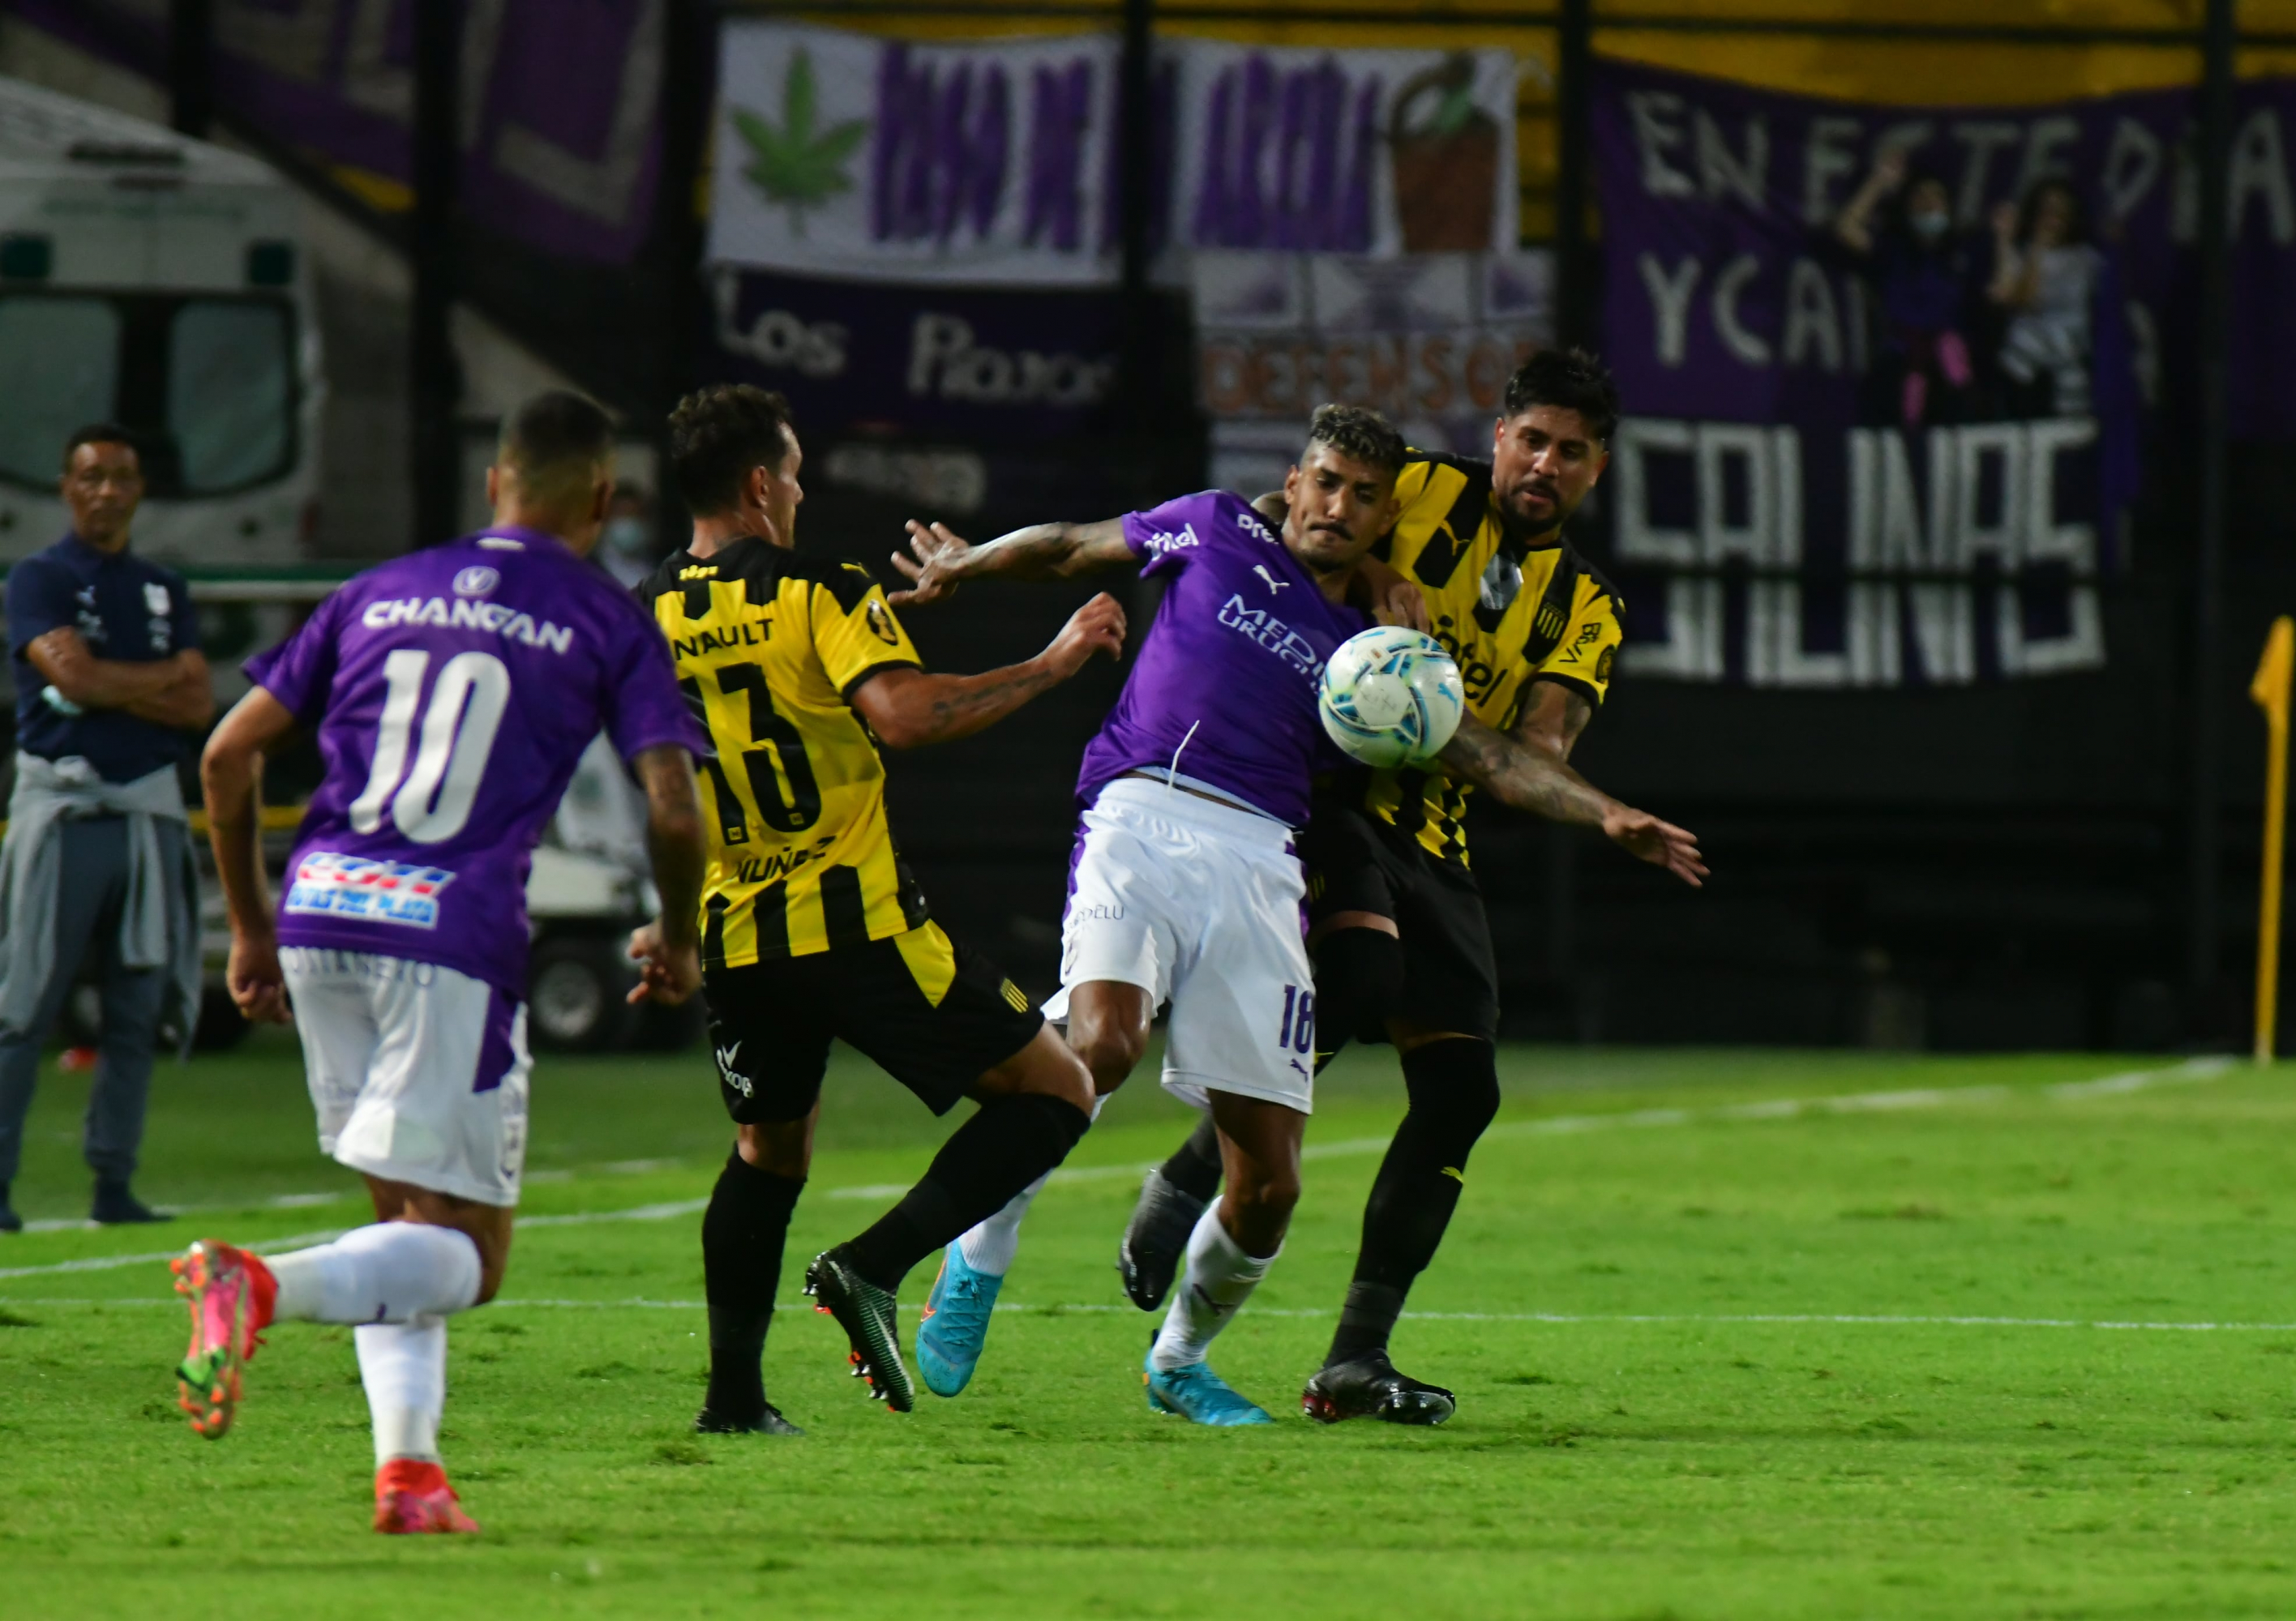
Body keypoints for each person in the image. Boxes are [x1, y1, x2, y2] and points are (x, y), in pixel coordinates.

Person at [888, 403, 1703, 1425]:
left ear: (1384, 515)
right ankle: (980, 1250)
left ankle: (1178, 1359)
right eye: (1325, 483)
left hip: (1267, 852)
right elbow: (1068, 545)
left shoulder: (1371, 652)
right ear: (1295, 482)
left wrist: (1605, 812)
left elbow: (1487, 752)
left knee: (1273, 1181)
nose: (1339, 506)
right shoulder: (1215, 526)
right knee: (1102, 1044)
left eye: (1364, 496)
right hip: (1142, 809)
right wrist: (968, 563)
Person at [173, 391, 709, 1536]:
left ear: (494, 484)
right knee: (471, 1256)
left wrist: (252, 928)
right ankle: (254, 1283)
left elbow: (225, 756)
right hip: (447, 933)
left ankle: (409, 1475)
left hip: (322, 912)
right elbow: (673, 804)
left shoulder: (376, 589)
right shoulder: (607, 617)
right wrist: (678, 932)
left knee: (403, 1229)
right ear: (601, 499)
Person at [639, 384, 1119, 1428]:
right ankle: (871, 1264)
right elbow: (902, 716)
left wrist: (666, 919)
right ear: (759, 484)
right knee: (1058, 1090)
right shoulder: (819, 585)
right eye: (794, 473)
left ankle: (733, 1402)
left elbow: (703, 741)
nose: (800, 492)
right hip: (854, 922)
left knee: (768, 1151)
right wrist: (1053, 663)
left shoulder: (644, 608)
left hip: (736, 934)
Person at [0, 425, 212, 1233]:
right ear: (67, 487)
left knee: (135, 1010)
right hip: (66, 811)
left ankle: (114, 1183)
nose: (107, 491)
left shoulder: (162, 587)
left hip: (146, 813)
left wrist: (108, 683)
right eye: (91, 476)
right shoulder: (41, 577)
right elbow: (75, 679)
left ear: (140, 488)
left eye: (121, 476)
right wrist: (157, 678)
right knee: (25, 1004)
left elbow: (199, 704)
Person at [1834, 150, 1990, 429]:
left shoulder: (1964, 253)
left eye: (1937, 197)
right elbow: (1846, 229)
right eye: (1920, 197)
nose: (1929, 204)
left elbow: (2002, 292)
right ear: (1906, 207)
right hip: (1899, 365)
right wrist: (1878, 182)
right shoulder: (1893, 251)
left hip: (1951, 368)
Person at [1990, 178, 2104, 417]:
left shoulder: (2087, 259)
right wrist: (2037, 250)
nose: (2053, 219)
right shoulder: (2024, 254)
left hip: (2072, 352)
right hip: (2028, 359)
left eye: (2061, 212)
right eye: (2047, 211)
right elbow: (2023, 302)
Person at [597, 481, 662, 591]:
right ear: (607, 517)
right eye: (621, 514)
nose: (628, 522)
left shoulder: (657, 564)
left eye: (633, 514)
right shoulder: (591, 568)